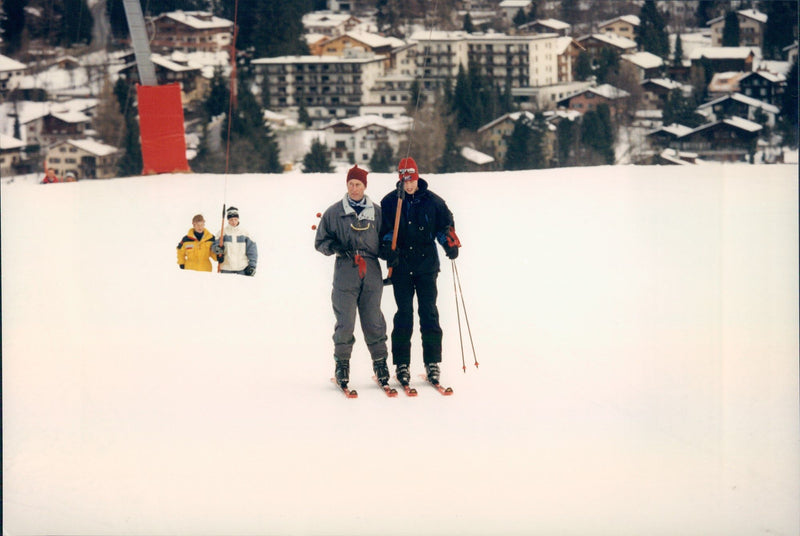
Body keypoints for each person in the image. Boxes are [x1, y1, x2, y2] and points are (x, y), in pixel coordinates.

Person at [380, 157, 460, 386]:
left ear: (417, 176)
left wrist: (449, 243)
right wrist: (388, 249)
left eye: (412, 180)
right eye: (404, 181)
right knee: (404, 314)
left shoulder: (433, 201)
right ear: (399, 180)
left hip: (426, 266)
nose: (409, 185)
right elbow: (385, 232)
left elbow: (444, 227)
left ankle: (432, 362)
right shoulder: (390, 202)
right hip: (402, 267)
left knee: (429, 312)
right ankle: (402, 364)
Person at [315, 165, 391, 389]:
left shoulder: (377, 212)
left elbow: (387, 238)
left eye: (358, 184)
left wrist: (389, 253)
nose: (354, 188)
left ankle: (380, 363)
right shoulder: (333, 212)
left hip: (371, 269)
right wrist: (334, 246)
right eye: (350, 184)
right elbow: (320, 242)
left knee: (373, 320)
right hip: (345, 269)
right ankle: (342, 365)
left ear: (364, 186)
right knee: (345, 321)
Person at [219, 206, 257, 276]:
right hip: (226, 268)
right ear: (228, 220)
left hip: (242, 269)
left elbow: (252, 251)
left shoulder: (245, 233)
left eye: (235, 219)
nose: (233, 222)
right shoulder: (222, 232)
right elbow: (214, 245)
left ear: (238, 219)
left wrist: (252, 266)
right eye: (231, 219)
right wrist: (216, 249)